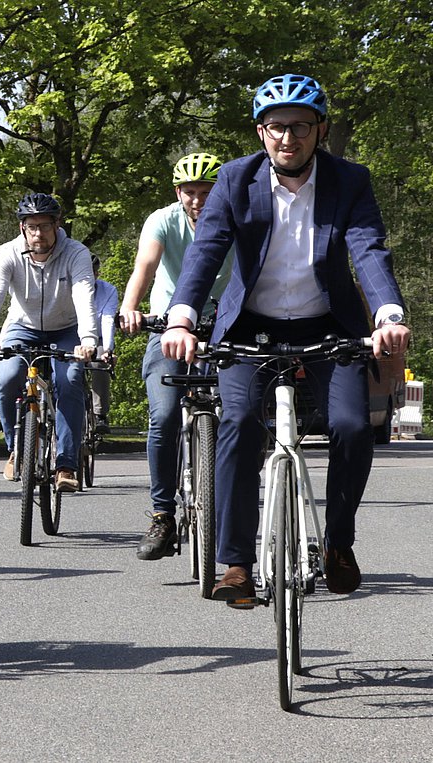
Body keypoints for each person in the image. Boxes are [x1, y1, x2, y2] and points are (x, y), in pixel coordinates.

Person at [161, 74, 411, 603]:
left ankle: (338, 544)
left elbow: (368, 250)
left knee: (350, 425)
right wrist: (180, 318)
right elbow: (207, 253)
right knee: (238, 423)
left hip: (328, 325)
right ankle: (236, 563)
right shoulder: (234, 180)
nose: (288, 138)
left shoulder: (350, 181)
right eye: (276, 127)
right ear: (261, 132)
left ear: (320, 129)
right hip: (251, 325)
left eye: (300, 126)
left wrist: (389, 314)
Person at [120, 152, 234, 561]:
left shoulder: (236, 217)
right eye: (190, 192)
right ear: (178, 193)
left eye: (207, 191)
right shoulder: (163, 220)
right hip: (169, 327)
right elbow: (145, 267)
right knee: (164, 414)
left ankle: (233, 504)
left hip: (225, 326)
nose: (198, 200)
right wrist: (131, 307)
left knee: (243, 411)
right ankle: (162, 514)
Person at [0, 192, 100, 493]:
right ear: (22, 227)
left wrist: (88, 339)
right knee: (5, 379)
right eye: (32, 226)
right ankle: (16, 448)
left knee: (69, 380)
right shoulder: (7, 253)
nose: (38, 233)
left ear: (56, 225)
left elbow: (85, 296)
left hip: (66, 328)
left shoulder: (76, 253)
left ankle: (66, 466)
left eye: (45, 226)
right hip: (23, 325)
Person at [86, 254, 119, 434]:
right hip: (72, 335)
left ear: (97, 274)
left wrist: (108, 349)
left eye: (92, 273)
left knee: (100, 363)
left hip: (98, 337)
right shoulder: (66, 287)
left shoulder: (108, 291)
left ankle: (100, 415)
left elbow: (108, 320)